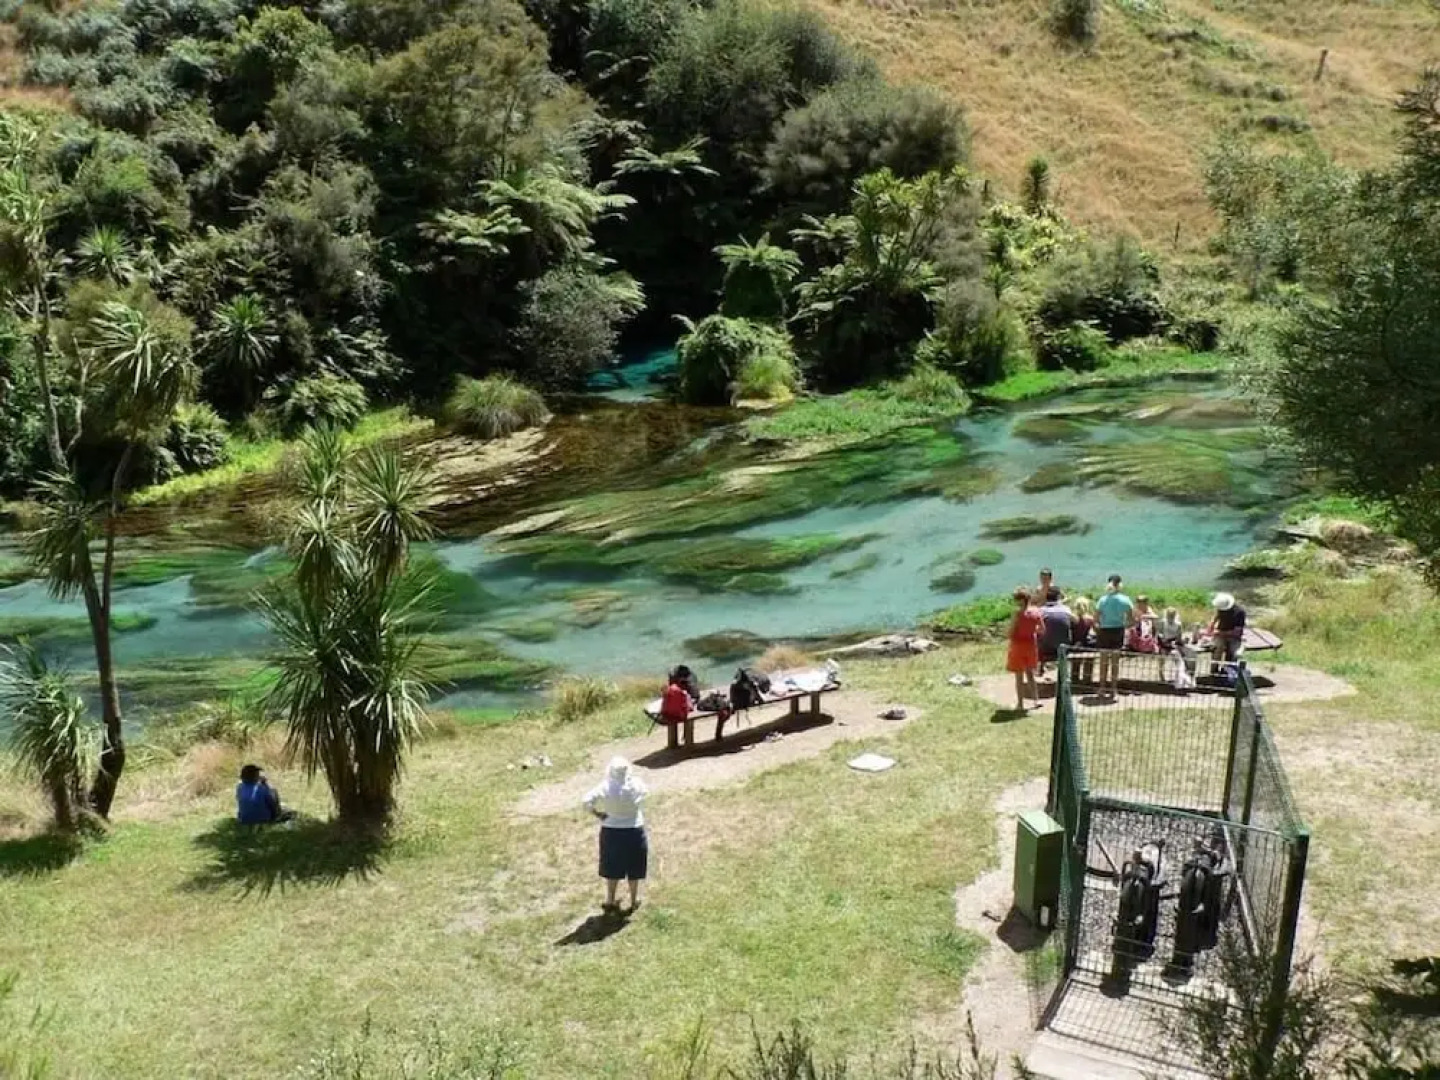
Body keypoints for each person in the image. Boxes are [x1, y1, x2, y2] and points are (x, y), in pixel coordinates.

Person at [583, 756, 649, 913]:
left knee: (612, 866)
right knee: (634, 867)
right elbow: (645, 793)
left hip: (611, 831)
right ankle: (633, 900)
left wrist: (598, 814)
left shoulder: (606, 786)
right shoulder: (637, 784)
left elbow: (586, 801)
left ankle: (610, 899)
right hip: (634, 829)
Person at [1094, 574, 1135, 700]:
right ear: (1120, 584)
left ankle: (1101, 687)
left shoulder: (1102, 600)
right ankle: (1113, 689)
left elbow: (1096, 618)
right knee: (1115, 662)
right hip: (1118, 630)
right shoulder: (1125, 600)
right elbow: (1130, 620)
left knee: (1103, 661)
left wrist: (1099, 628)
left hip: (1104, 631)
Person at [1006, 586, 1043, 712]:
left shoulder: (1017, 614)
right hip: (1031, 645)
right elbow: (1042, 629)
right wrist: (1033, 631)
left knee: (1019, 675)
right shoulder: (1036, 612)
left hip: (1018, 645)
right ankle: (1036, 700)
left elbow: (1010, 631)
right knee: (1030, 674)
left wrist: (1009, 633)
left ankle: (1020, 704)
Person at [1208, 592, 1247, 678]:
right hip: (1221, 635)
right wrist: (1211, 626)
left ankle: (1229, 672)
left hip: (1234, 637)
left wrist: (1218, 632)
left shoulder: (1240, 613)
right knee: (1217, 648)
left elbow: (1236, 632)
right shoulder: (1220, 609)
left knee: (1235, 653)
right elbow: (1215, 617)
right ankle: (1213, 671)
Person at [1038, 587, 1074, 673]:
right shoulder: (1066, 609)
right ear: (1058, 597)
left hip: (1045, 646)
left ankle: (1041, 668)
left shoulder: (1042, 610)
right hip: (1064, 645)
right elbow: (1075, 621)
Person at [1069, 597, 1097, 686]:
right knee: (1090, 657)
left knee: (1076, 661)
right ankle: (1087, 679)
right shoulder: (1089, 619)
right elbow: (1097, 631)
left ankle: (1074, 679)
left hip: (1073, 644)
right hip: (1085, 644)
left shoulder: (1072, 618)